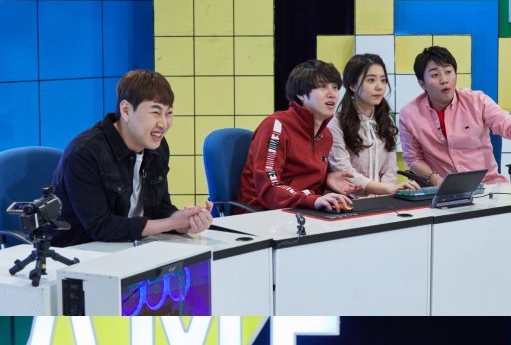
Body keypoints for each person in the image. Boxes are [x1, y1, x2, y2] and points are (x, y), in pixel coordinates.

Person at [52, 69, 213, 247]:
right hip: (80, 251)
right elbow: (101, 227)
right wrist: (170, 223)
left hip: (129, 247)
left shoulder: (157, 148)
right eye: (155, 112)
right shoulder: (84, 153)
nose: (164, 123)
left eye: (169, 113)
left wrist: (184, 221)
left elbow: (160, 209)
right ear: (126, 110)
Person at [398, 46, 511, 186]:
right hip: (444, 192)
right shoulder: (410, 114)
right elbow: (414, 159)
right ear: (422, 84)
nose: (444, 80)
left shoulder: (477, 101)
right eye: (435, 75)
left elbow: (510, 125)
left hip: (488, 187)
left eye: (448, 71)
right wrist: (436, 179)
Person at [237, 60, 353, 212]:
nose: (332, 94)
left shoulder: (326, 136)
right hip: (260, 213)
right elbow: (270, 187)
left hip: (302, 210)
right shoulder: (276, 125)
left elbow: (301, 180)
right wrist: (312, 200)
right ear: (301, 94)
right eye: (322, 87)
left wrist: (326, 180)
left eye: (335, 87)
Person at [328, 53, 418, 195]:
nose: (379, 87)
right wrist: (386, 189)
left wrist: (384, 193)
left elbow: (390, 170)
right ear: (352, 85)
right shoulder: (336, 124)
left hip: (382, 201)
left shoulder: (385, 121)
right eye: (371, 80)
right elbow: (344, 171)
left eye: (383, 80)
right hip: (348, 201)